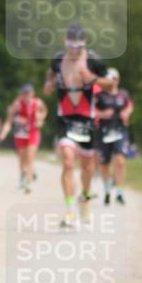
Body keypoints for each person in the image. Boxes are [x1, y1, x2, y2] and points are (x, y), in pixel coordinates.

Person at [43, 24, 112, 226]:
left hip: (86, 119)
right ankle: (70, 209)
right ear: (65, 42)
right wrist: (49, 84)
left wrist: (93, 79)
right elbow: (50, 75)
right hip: (65, 117)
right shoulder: (57, 59)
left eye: (78, 45)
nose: (74, 49)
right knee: (67, 160)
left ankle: (86, 198)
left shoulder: (93, 59)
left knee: (87, 167)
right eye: (71, 44)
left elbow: (112, 84)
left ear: (85, 44)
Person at [0, 84, 47, 192]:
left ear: (32, 93)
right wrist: (3, 133)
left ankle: (28, 182)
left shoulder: (38, 102)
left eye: (28, 93)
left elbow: (44, 111)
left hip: (34, 131)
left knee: (30, 157)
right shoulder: (17, 103)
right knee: (22, 157)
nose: (26, 95)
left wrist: (41, 119)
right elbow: (9, 119)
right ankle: (22, 175)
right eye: (24, 93)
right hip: (21, 132)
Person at [95, 68, 133, 204]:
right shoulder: (99, 96)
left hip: (120, 130)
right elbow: (91, 110)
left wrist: (127, 113)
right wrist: (102, 114)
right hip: (104, 131)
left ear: (118, 80)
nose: (112, 81)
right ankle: (107, 191)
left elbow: (129, 105)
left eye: (114, 79)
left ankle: (120, 193)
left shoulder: (123, 94)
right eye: (109, 79)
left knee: (120, 161)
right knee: (104, 164)